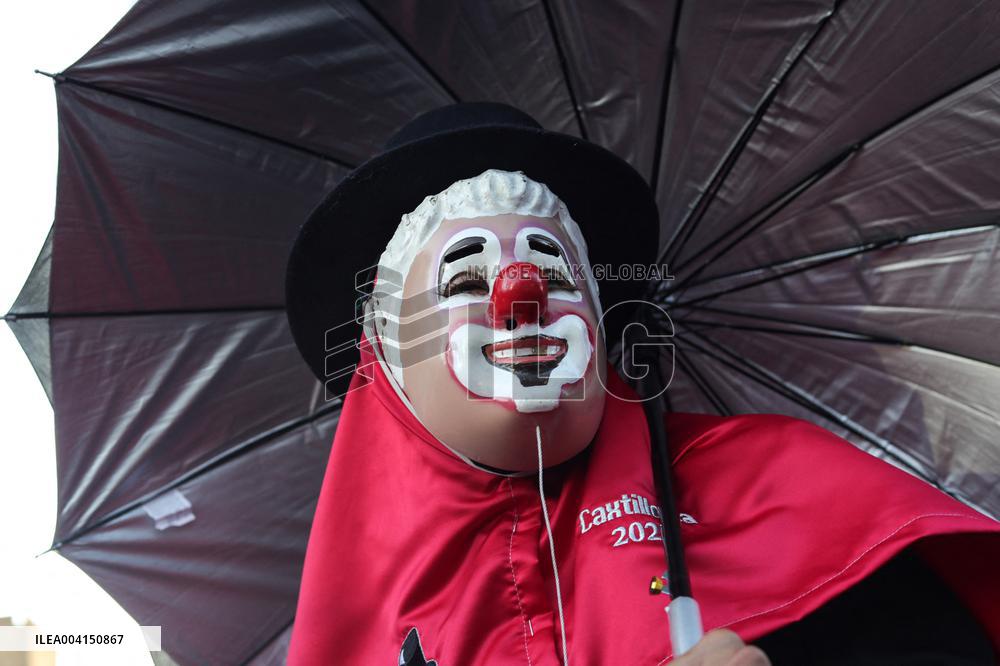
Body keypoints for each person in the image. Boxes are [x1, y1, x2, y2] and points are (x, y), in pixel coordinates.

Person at [284, 103, 1000, 664]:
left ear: (600, 318)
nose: (520, 292)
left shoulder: (783, 493)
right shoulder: (356, 618)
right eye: (467, 278)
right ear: (384, 346)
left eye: (557, 272)